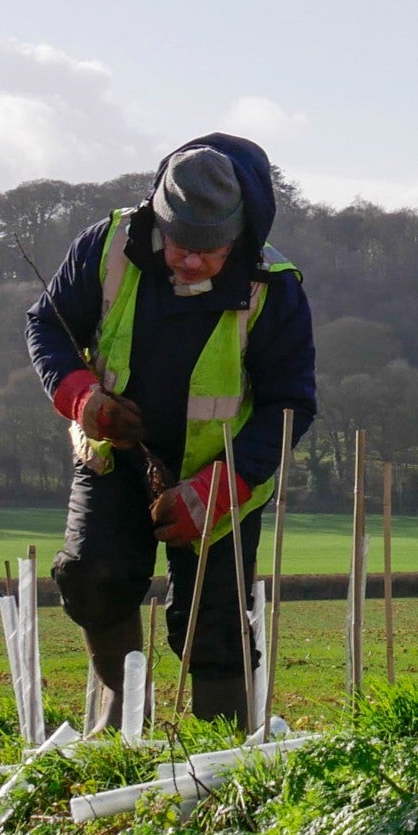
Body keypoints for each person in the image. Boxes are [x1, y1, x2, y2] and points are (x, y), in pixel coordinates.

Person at [25, 135, 317, 730]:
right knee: (92, 576)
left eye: (210, 251)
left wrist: (220, 487)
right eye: (179, 244)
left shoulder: (275, 287)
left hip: (223, 478)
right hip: (115, 459)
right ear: (157, 216)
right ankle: (123, 713)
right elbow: (46, 329)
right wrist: (84, 400)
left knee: (214, 625)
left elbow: (292, 405)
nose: (188, 261)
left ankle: (226, 752)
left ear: (240, 235)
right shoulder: (104, 245)